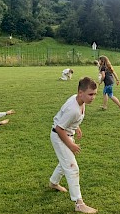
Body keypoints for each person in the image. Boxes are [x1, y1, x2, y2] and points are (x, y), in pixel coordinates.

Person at [48, 77, 98, 213]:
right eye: (90, 94)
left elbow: (67, 120)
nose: (93, 97)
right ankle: (79, 203)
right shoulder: (73, 109)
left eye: (95, 94)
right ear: (80, 92)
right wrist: (70, 145)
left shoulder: (79, 100)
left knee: (64, 161)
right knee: (72, 167)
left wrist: (76, 127)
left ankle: (53, 182)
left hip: (66, 133)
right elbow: (59, 128)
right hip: (59, 136)